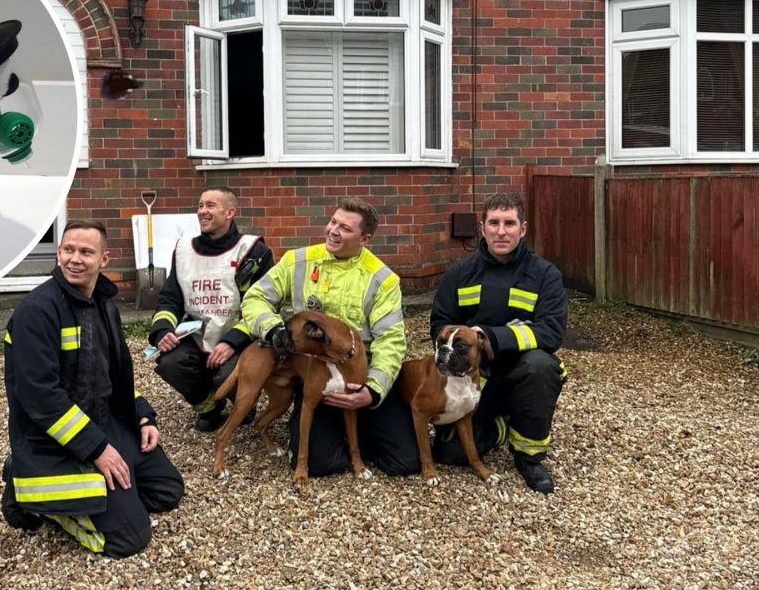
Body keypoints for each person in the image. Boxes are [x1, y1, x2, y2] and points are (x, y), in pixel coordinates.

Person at [1, 220, 184, 557]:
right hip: (51, 442)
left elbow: (113, 376)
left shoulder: (103, 304)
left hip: (101, 422)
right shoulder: (36, 312)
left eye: (86, 252)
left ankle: (107, 495)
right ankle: (26, 492)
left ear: (104, 259)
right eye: (68, 250)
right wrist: (97, 449)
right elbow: (39, 396)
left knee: (166, 491)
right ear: (58, 253)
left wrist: (142, 415)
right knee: (129, 538)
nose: (75, 259)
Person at [241, 197, 419, 477]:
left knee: (405, 463)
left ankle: (358, 427)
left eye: (345, 228)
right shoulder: (297, 260)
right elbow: (256, 297)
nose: (333, 231)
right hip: (316, 376)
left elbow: (391, 341)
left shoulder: (382, 279)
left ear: (364, 239)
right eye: (333, 222)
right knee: (320, 464)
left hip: (360, 379)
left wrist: (372, 391)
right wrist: (273, 329)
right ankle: (330, 432)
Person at [429, 192, 567, 494]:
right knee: (450, 454)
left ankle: (529, 456)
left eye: (509, 223)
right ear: (482, 228)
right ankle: (502, 426)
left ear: (523, 228)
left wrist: (491, 337)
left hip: (522, 373)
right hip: (474, 377)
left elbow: (551, 331)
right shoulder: (459, 273)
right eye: (493, 223)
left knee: (542, 365)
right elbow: (439, 325)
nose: (501, 231)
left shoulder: (545, 275)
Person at [149, 186, 274, 432]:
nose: (202, 211)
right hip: (195, 336)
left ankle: (244, 404)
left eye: (210, 206)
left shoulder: (253, 252)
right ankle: (209, 407)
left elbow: (264, 305)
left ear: (230, 212)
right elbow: (170, 298)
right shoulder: (183, 250)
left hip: (241, 338)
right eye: (200, 205)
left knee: (228, 373)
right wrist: (162, 330)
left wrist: (232, 342)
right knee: (171, 363)